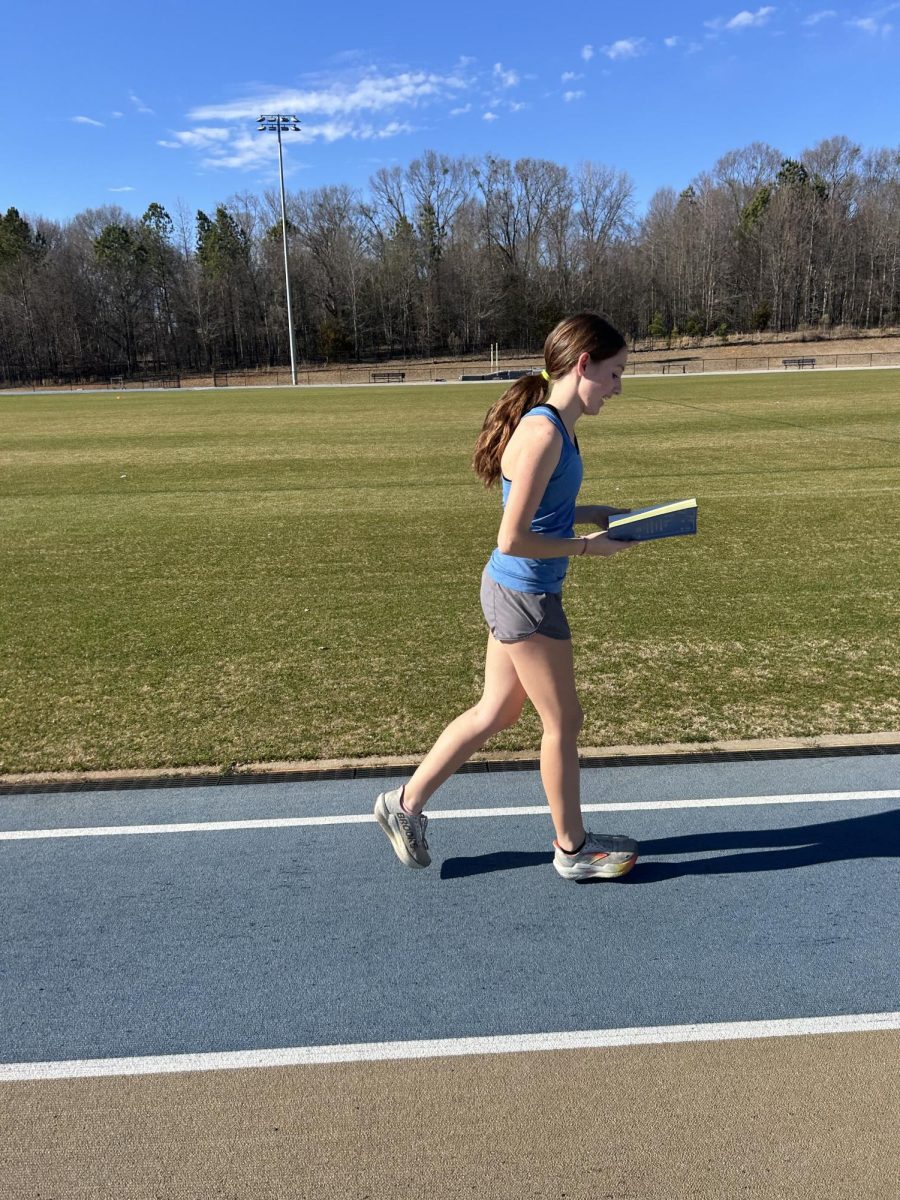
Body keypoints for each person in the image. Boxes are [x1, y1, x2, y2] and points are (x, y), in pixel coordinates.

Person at [375, 312, 641, 882]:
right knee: (563, 720)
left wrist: (599, 514)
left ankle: (403, 805)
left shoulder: (558, 427)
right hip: (525, 595)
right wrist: (590, 548)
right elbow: (513, 536)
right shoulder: (544, 431)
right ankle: (572, 850)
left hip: (511, 589)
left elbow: (542, 509)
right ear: (584, 365)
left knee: (495, 711)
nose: (619, 387)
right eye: (615, 374)